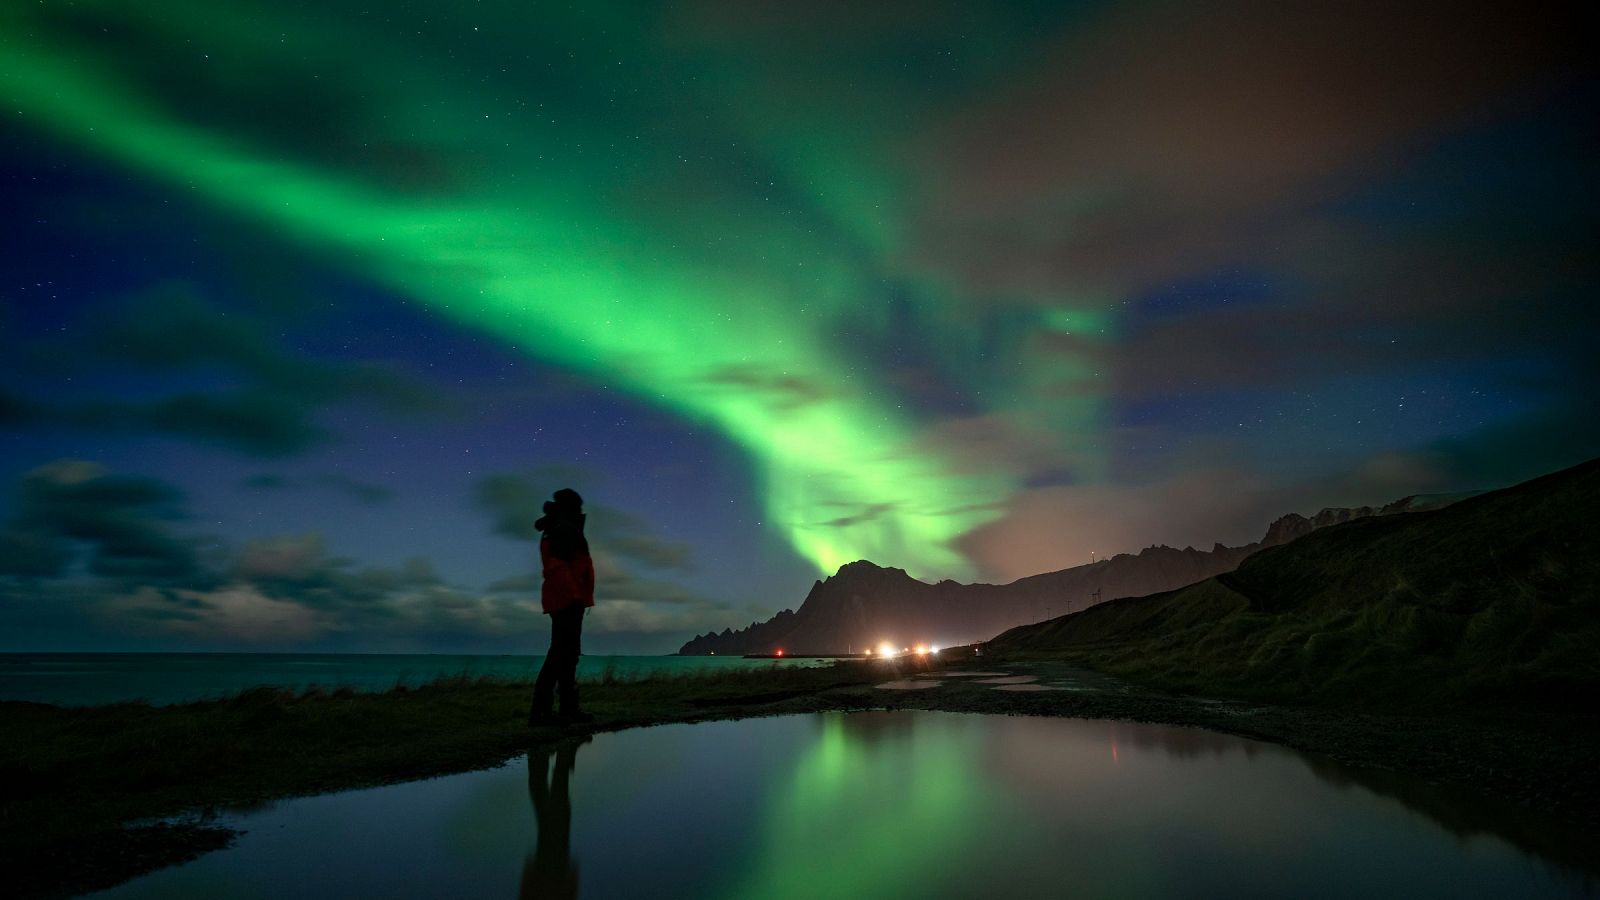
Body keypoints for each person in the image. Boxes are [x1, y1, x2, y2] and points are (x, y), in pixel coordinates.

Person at [529, 488, 595, 726]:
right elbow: (558, 567)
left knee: (568, 655)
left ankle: (566, 709)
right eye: (578, 506)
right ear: (571, 508)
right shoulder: (563, 529)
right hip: (566, 600)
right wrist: (575, 596)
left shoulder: (563, 527)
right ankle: (542, 713)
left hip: (567, 599)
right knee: (560, 655)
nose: (581, 510)